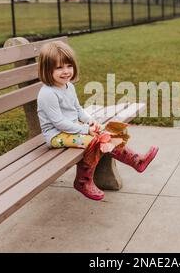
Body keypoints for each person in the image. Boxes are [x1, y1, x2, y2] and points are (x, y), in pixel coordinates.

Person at [37, 41, 159, 201]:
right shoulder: (48, 94)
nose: (66, 71)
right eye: (59, 68)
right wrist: (86, 130)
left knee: (106, 134)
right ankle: (83, 180)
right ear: (47, 69)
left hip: (72, 129)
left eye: (68, 66)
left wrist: (91, 122)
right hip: (56, 135)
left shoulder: (68, 86)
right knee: (94, 142)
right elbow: (59, 123)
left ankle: (136, 160)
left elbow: (78, 109)